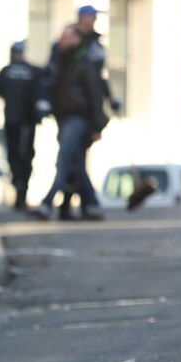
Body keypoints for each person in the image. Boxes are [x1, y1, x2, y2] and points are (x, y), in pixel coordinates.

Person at [31, 24, 108, 221]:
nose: (61, 40)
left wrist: (97, 125)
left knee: (64, 161)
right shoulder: (60, 61)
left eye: (66, 36)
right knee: (77, 163)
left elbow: (95, 95)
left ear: (76, 40)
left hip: (77, 119)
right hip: (63, 118)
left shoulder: (84, 63)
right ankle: (92, 204)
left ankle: (47, 203)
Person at [0, 41, 41, 210]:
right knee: (25, 156)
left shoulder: (6, 71)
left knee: (14, 156)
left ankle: (19, 187)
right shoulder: (32, 71)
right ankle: (21, 190)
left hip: (13, 120)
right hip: (27, 121)